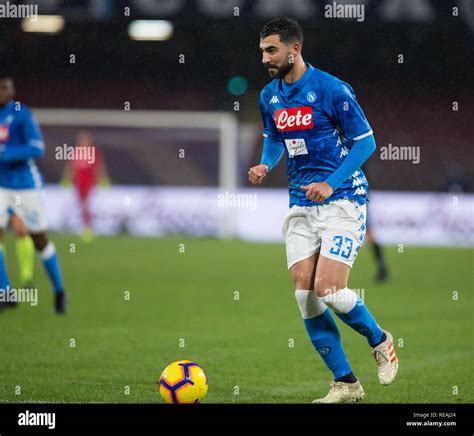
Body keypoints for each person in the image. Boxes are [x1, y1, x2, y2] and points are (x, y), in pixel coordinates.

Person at [248, 18, 398, 403]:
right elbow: (274, 139)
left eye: (271, 50)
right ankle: (346, 382)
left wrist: (331, 182)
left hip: (343, 198)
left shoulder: (332, 90)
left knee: (328, 288)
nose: (264, 57)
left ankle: (380, 340)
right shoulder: (269, 96)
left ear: (293, 50)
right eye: (263, 50)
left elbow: (366, 143)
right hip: (300, 203)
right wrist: (266, 163)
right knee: (305, 295)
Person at [0, 74, 67, 314]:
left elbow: (37, 147)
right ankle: (5, 292)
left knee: (39, 240)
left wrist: (5, 152)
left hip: (26, 185)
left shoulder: (22, 114)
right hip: (1, 186)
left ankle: (59, 290)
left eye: (6, 88)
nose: (3, 92)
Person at [61, 130, 109, 242]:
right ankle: (85, 226)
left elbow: (99, 167)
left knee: (86, 205)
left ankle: (88, 228)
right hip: (78, 182)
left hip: (90, 182)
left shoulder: (94, 152)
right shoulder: (75, 152)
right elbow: (70, 167)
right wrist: (66, 179)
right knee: (82, 205)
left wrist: (103, 179)